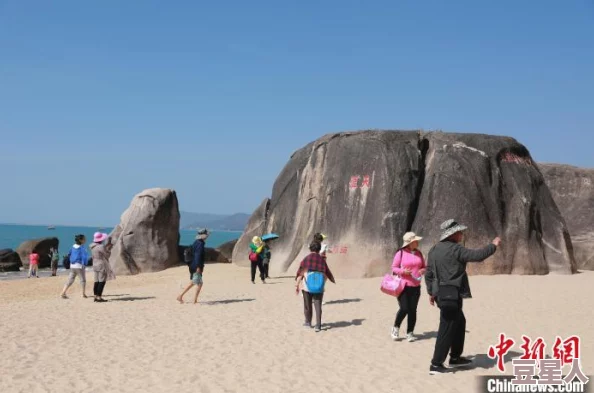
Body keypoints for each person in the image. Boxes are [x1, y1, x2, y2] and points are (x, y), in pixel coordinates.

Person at [425, 219, 501, 375]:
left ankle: (455, 358)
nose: (462, 235)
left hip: (442, 294)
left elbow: (429, 274)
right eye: (460, 232)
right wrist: (493, 245)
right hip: (451, 295)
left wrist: (431, 292)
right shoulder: (455, 249)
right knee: (447, 327)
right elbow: (478, 256)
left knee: (459, 322)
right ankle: (436, 364)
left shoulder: (433, 250)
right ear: (453, 234)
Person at [391, 232, 426, 342]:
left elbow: (424, 266)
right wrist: (403, 271)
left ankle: (410, 333)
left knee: (413, 310)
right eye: (416, 241)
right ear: (410, 243)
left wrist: (422, 270)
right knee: (404, 308)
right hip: (403, 285)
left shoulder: (419, 253)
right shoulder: (400, 253)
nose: (418, 242)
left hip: (416, 286)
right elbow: (394, 268)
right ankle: (395, 328)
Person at [295, 242, 336, 332]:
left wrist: (297, 285)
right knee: (318, 306)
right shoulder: (322, 261)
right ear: (319, 249)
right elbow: (326, 274)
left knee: (307, 305)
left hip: (306, 287)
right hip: (319, 287)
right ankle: (318, 325)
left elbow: (300, 273)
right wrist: (322, 284)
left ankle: (308, 322)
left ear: (310, 249)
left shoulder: (306, 259)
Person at [177, 229, 208, 304]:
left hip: (192, 265)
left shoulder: (196, 242)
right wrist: (198, 267)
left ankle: (194, 300)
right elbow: (197, 255)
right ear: (204, 236)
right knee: (195, 282)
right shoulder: (200, 244)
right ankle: (180, 296)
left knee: (198, 283)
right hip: (196, 266)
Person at [61, 234, 90, 299]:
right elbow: (84, 257)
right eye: (84, 239)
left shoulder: (72, 247)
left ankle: (63, 292)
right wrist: (85, 264)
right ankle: (83, 294)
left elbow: (69, 254)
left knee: (70, 279)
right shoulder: (82, 248)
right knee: (83, 280)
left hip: (72, 265)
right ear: (81, 240)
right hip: (79, 266)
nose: (85, 240)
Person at [90, 233, 115, 303]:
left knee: (96, 281)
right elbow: (107, 255)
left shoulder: (92, 246)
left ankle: (95, 296)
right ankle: (99, 297)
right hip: (101, 264)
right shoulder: (100, 246)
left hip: (94, 264)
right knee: (102, 281)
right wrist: (109, 249)